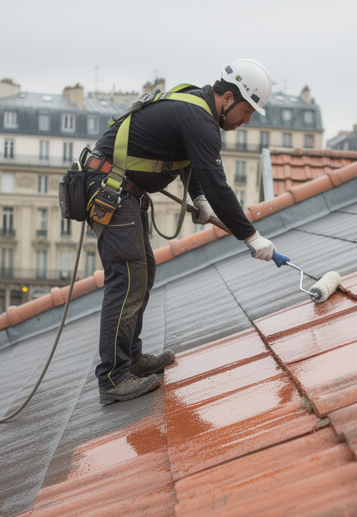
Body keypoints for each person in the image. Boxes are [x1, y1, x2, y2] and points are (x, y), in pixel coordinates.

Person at [83, 59, 276, 404]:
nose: (246, 120)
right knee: (127, 279)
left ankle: (131, 359)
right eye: (247, 111)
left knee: (142, 272)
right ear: (228, 98)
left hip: (121, 191)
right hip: (111, 189)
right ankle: (113, 377)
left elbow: (193, 163)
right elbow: (219, 184)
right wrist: (250, 235)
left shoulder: (197, 109)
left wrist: (198, 198)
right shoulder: (199, 119)